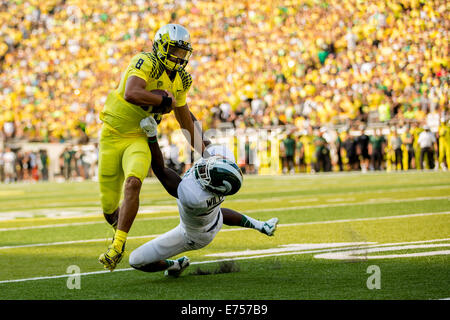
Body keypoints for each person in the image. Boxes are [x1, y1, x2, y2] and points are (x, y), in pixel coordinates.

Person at [98, 24, 206, 271]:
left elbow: (185, 121)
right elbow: (131, 93)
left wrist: (206, 152)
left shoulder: (181, 79)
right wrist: (161, 99)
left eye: (182, 52)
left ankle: (117, 247)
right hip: (112, 136)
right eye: (174, 51)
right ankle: (153, 254)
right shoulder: (145, 61)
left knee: (134, 182)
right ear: (161, 47)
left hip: (138, 136)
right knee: (109, 209)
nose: (179, 58)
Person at [127, 116, 278, 277]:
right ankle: (261, 226)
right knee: (217, 214)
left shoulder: (194, 197)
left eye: (207, 172)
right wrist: (181, 107)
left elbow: (160, 170)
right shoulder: (224, 160)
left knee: (136, 260)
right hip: (212, 220)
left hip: (192, 236)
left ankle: (176, 264)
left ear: (212, 186)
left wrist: (151, 135)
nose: (203, 166)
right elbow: (199, 136)